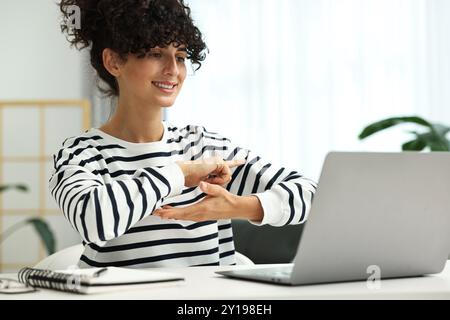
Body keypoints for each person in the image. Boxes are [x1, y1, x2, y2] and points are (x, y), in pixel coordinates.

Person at [50, 0, 317, 268]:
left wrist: (239, 207)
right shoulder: (81, 153)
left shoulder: (203, 146)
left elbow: (311, 194)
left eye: (180, 56)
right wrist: (180, 173)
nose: (173, 70)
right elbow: (94, 219)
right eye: (155, 53)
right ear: (114, 61)